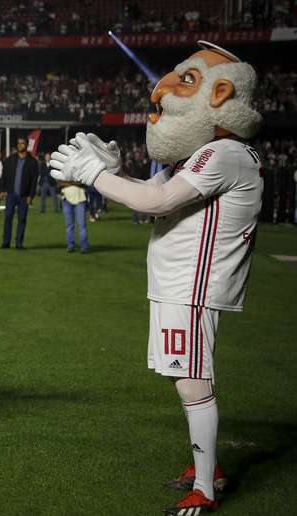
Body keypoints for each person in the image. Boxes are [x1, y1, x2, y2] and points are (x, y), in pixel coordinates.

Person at [50, 41, 263, 514]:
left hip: (194, 285)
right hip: (175, 283)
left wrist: (92, 175)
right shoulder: (203, 154)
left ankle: (206, 488)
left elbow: (160, 203)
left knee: (192, 380)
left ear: (221, 93)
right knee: (180, 376)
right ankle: (208, 467)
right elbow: (150, 190)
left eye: (188, 79)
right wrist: (113, 171)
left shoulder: (224, 152)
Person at [0, 137, 38, 249]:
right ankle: (6, 243)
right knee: (8, 218)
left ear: (26, 145)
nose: (20, 145)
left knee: (22, 219)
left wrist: (31, 195)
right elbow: (4, 175)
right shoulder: (10, 159)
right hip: (11, 194)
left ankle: (19, 243)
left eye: (22, 143)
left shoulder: (32, 161)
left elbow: (34, 180)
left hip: (24, 196)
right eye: (18, 143)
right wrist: (2, 190)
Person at [59, 179, 89, 253]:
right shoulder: (63, 169)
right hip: (66, 199)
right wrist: (75, 183)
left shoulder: (80, 170)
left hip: (80, 199)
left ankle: (84, 247)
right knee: (69, 225)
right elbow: (60, 183)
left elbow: (84, 182)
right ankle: (70, 246)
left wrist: (68, 183)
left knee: (82, 225)